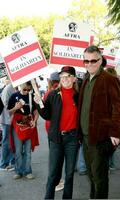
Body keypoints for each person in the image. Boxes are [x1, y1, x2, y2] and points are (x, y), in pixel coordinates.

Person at [78, 45, 120, 199]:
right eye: (86, 61)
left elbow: (118, 108)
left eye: (93, 61)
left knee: (100, 176)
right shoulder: (85, 79)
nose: (89, 64)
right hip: (85, 137)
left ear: (100, 60)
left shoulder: (109, 79)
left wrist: (115, 133)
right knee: (90, 174)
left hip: (100, 137)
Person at [34, 66, 80, 199]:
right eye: (62, 77)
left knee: (70, 173)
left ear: (74, 78)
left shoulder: (78, 96)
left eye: (68, 76)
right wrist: (38, 103)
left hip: (72, 138)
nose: (65, 79)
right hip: (56, 139)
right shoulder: (54, 94)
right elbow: (47, 115)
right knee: (53, 173)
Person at [7, 81, 39, 180]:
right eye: (24, 89)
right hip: (17, 126)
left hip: (29, 124)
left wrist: (35, 120)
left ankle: (28, 171)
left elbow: (36, 111)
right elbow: (8, 113)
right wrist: (15, 108)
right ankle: (18, 171)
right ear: (20, 86)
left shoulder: (31, 96)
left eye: (29, 90)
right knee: (18, 150)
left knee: (28, 151)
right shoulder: (13, 96)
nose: (26, 92)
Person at [43, 71, 64, 192]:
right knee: (56, 158)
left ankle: (55, 181)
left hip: (50, 127)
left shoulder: (48, 92)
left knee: (54, 156)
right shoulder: (56, 93)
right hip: (56, 128)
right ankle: (56, 182)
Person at [0, 82, 15, 171]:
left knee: (10, 141)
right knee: (6, 141)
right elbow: (4, 105)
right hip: (6, 120)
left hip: (11, 119)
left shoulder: (13, 88)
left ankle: (11, 162)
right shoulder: (8, 89)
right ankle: (3, 164)